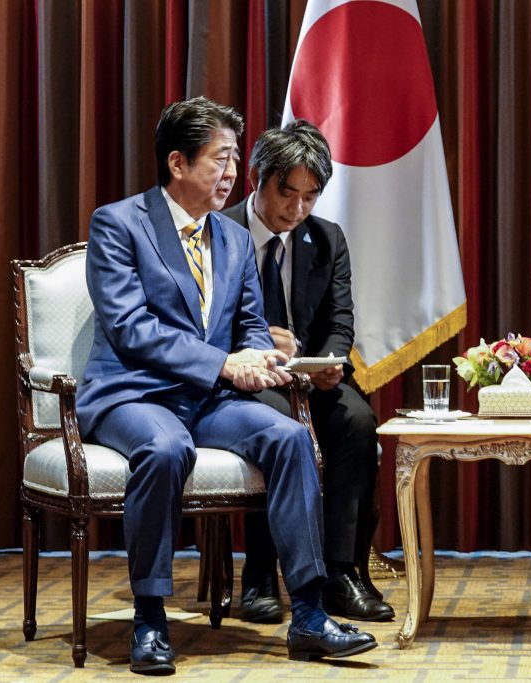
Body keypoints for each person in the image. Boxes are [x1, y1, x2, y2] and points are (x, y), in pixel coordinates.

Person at [76, 97, 377, 675]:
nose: (234, 173)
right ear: (177, 163)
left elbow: (249, 324)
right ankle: (150, 618)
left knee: (290, 438)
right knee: (165, 448)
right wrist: (223, 364)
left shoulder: (233, 238)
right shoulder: (119, 223)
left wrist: (265, 359)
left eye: (236, 159)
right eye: (222, 159)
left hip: (207, 400)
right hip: (133, 394)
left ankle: (310, 615)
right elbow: (131, 329)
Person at [222, 120, 393, 624]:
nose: (296, 209)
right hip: (244, 381)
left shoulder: (327, 238)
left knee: (357, 422)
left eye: (310, 197)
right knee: (280, 427)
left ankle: (341, 574)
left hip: (310, 378)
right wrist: (252, 350)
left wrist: (327, 360)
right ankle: (259, 576)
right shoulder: (220, 233)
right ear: (257, 178)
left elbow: (341, 322)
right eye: (287, 193)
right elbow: (201, 323)